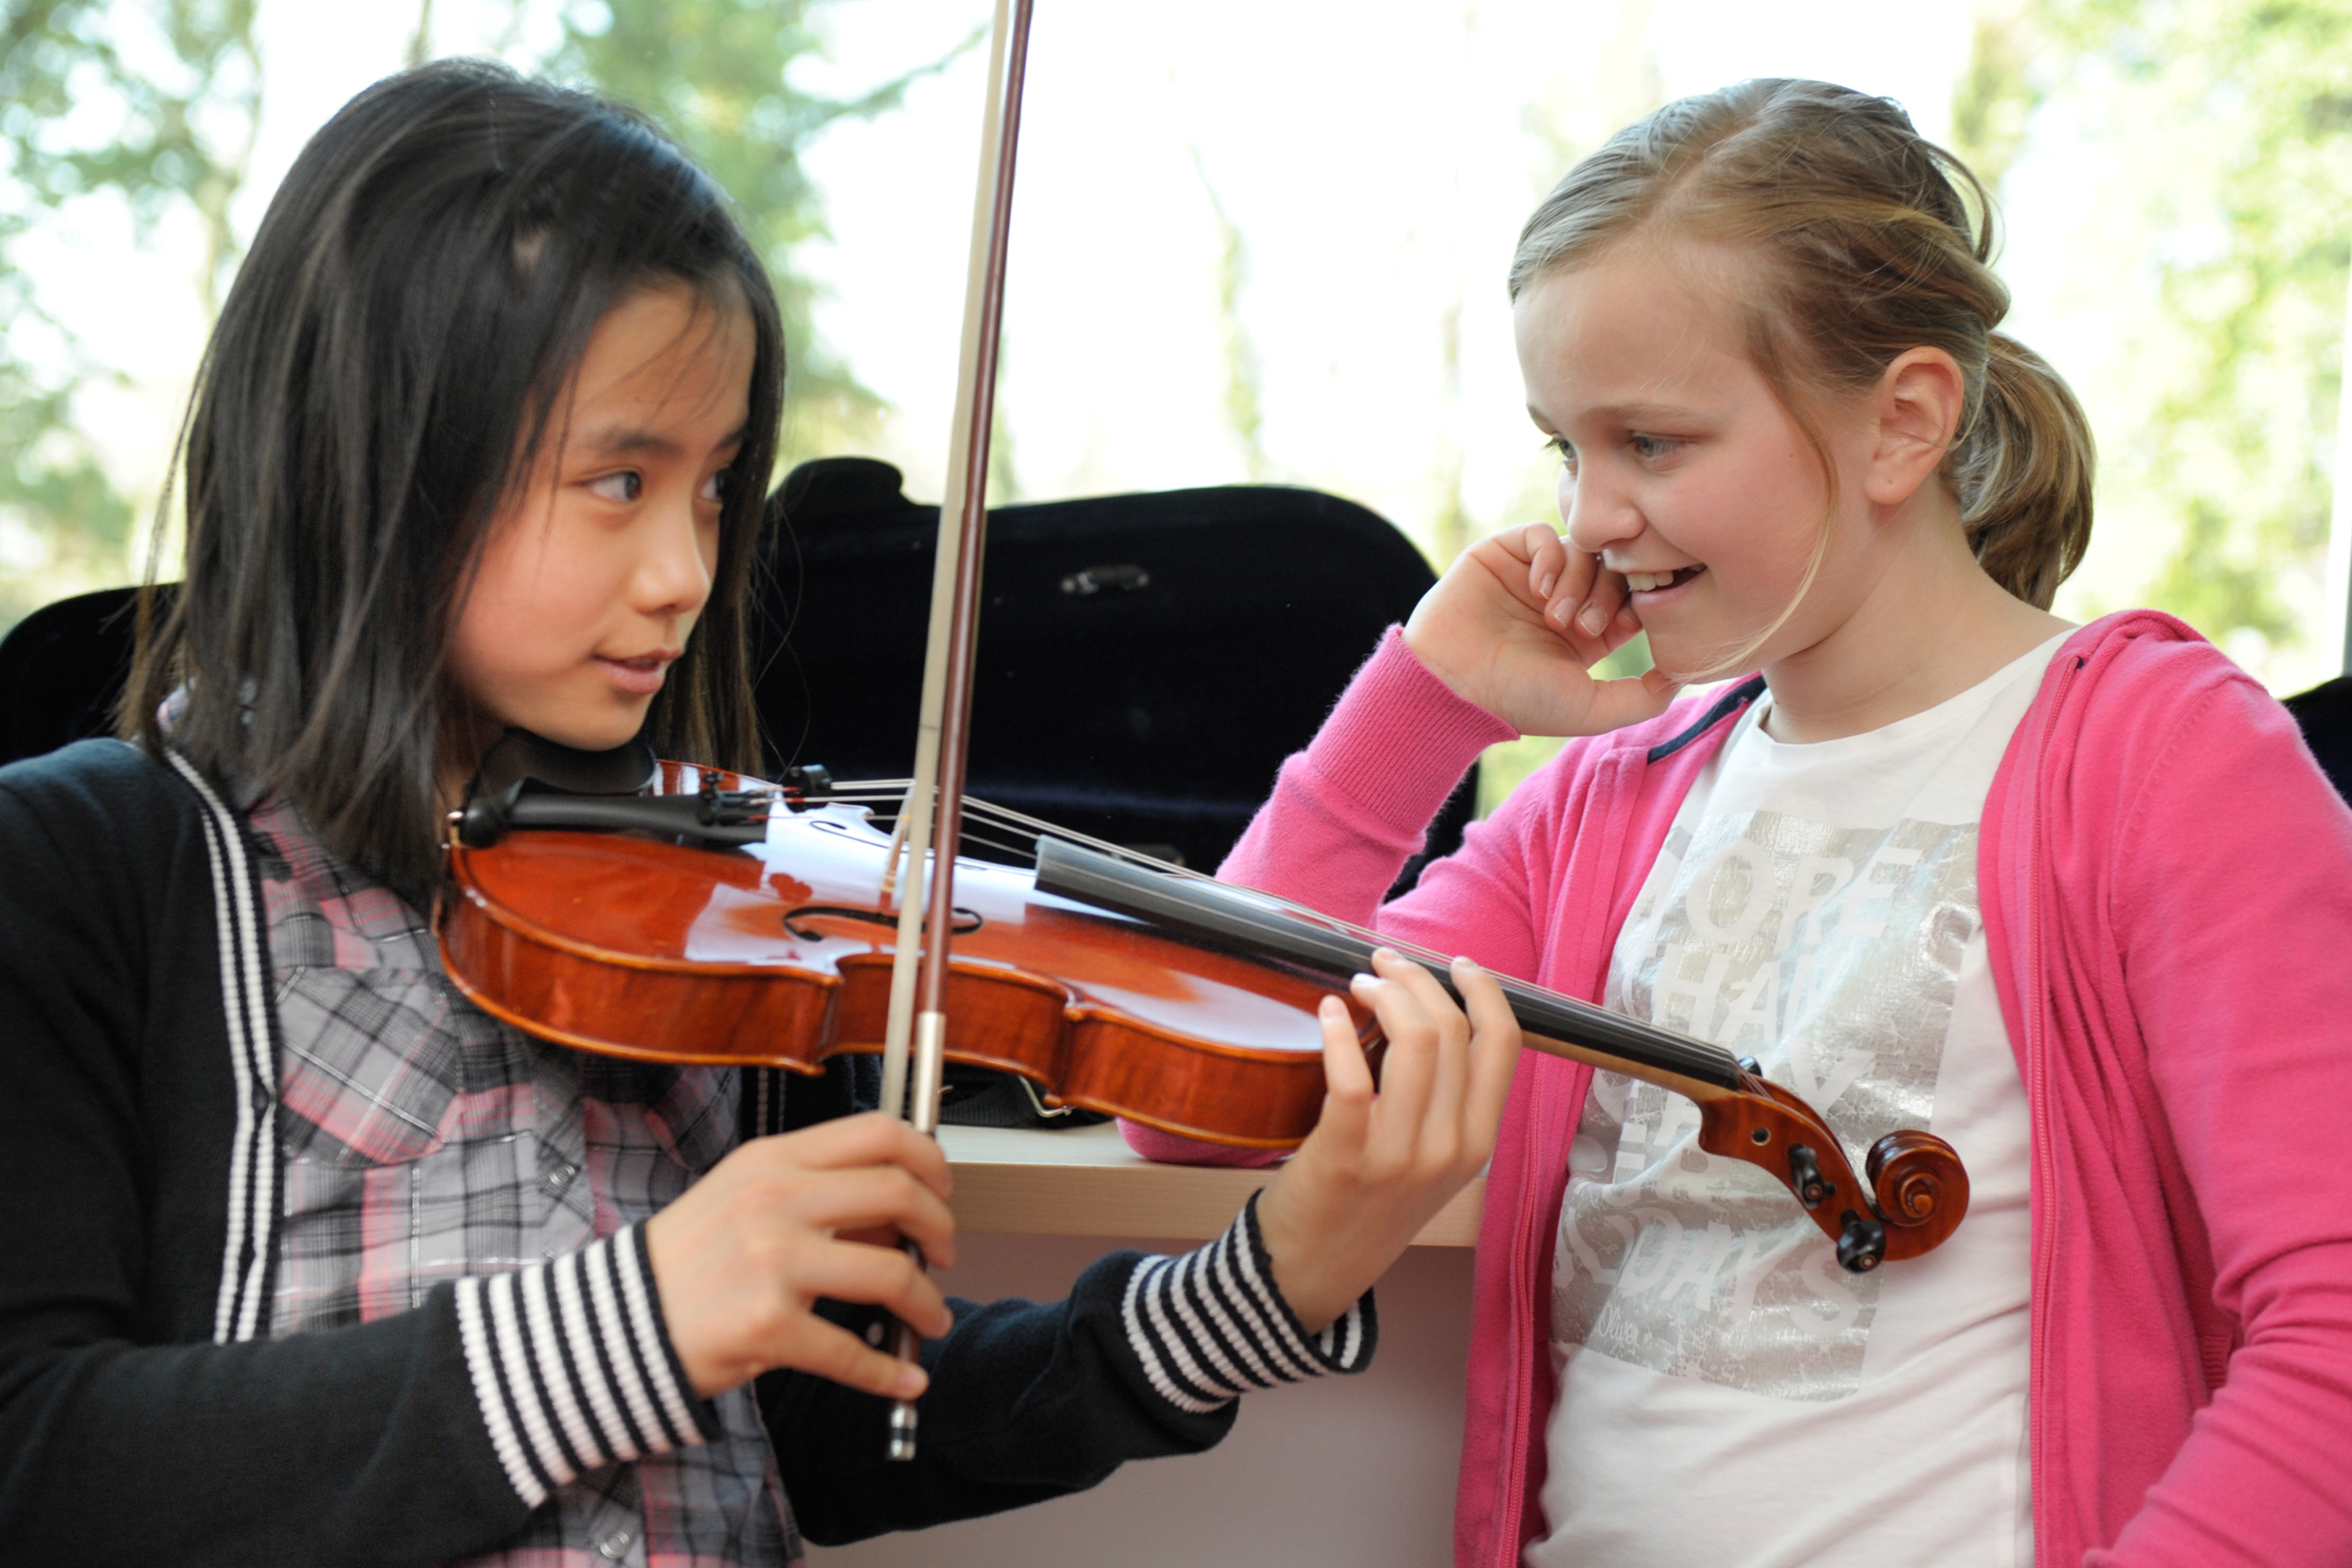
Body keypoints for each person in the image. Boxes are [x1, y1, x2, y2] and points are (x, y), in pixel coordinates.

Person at [0, 60, 1519, 1567]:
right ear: (378, 451)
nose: (686, 572)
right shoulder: (70, 869)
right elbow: (38, 1459)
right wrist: (633, 1319)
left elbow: (834, 1427)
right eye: (618, 479)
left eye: (718, 486)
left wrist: (1272, 1276)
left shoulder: (729, 900)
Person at [1127, 78, 2352, 1566]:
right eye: (1565, 449)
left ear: (1902, 423)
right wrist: (1424, 707)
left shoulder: (2163, 759)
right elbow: (1193, 1097)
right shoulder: (1605, 807)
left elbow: (2334, 1335)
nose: (1587, 518)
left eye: (1650, 443)